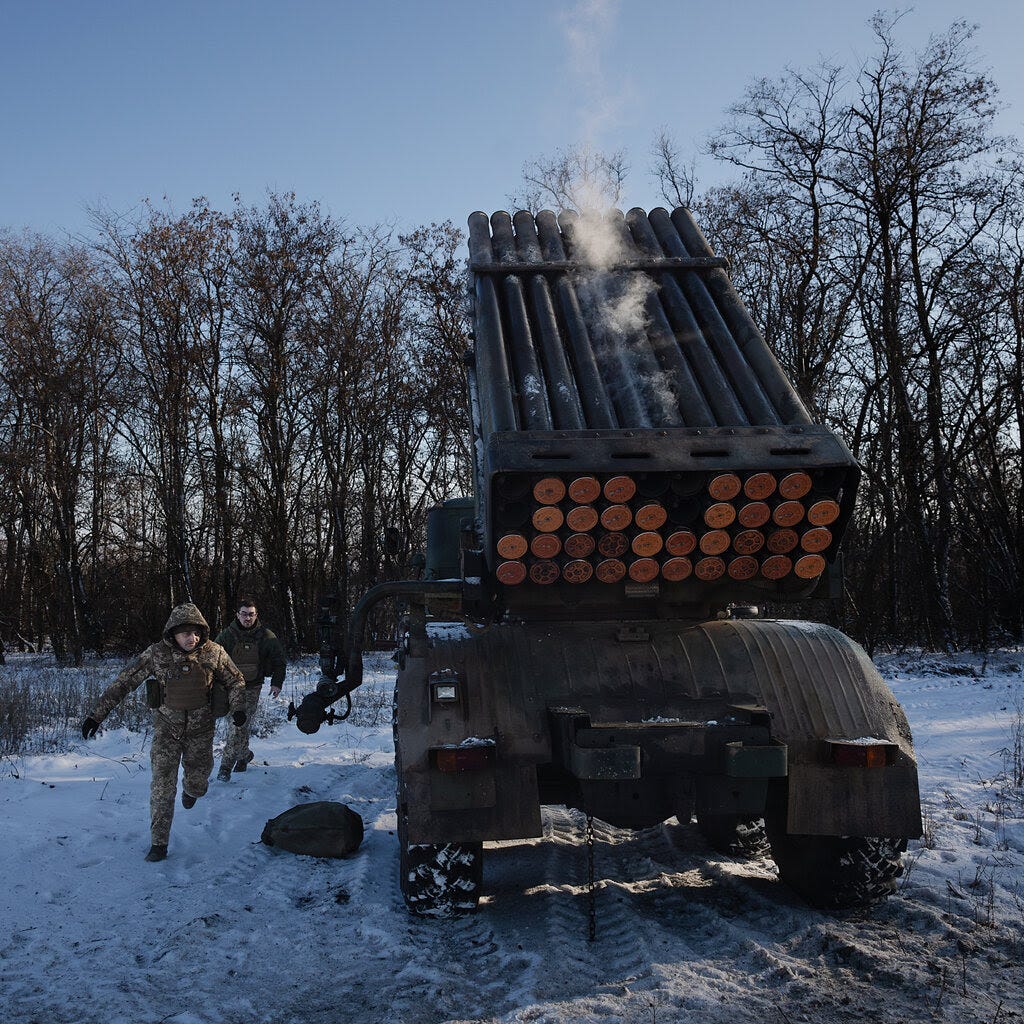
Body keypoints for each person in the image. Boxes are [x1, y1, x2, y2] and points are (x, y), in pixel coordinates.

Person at [80, 602, 246, 862]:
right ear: (172, 634)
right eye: (184, 633)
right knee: (162, 788)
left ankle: (192, 791)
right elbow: (125, 681)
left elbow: (236, 680)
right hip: (167, 731)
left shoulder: (214, 653)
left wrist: (237, 708)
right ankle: (159, 843)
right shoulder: (156, 655)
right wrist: (96, 715)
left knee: (199, 783)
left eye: (195, 632)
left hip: (201, 732)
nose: (191, 638)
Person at [214, 595, 286, 782]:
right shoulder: (227, 636)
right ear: (237, 615)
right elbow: (212, 659)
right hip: (228, 687)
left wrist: (276, 683)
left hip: (252, 687)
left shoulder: (266, 636)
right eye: (244, 614)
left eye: (251, 615)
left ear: (256, 615)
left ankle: (225, 767)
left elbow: (279, 661)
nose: (248, 618)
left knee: (238, 725)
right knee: (239, 726)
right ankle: (244, 755)